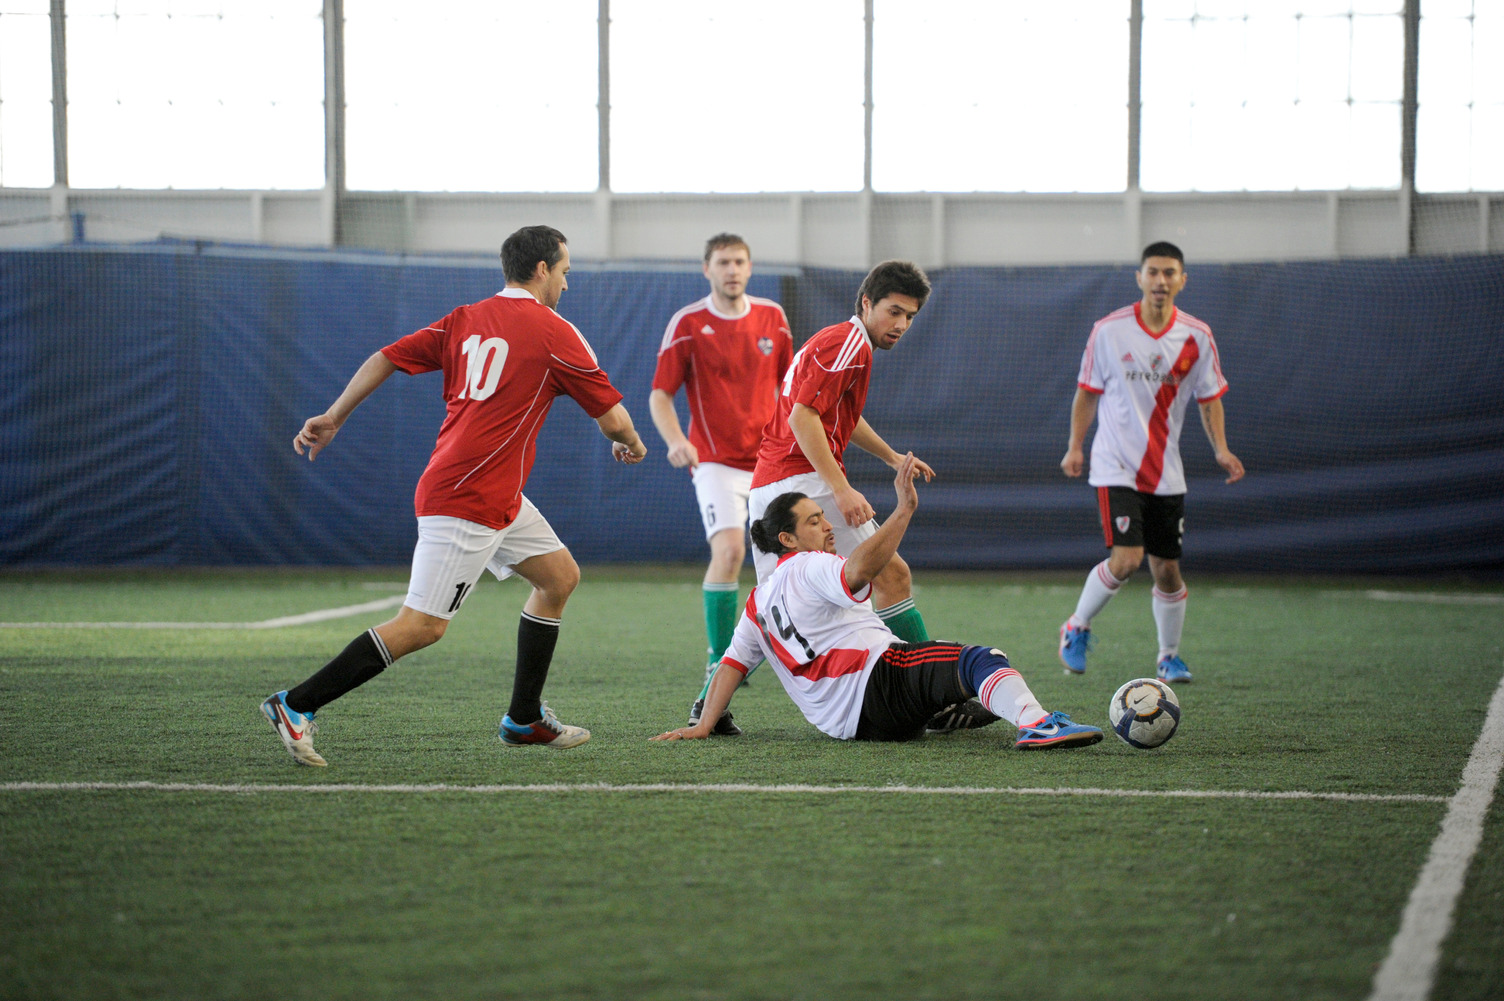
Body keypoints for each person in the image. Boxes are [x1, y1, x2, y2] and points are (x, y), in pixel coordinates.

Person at [262, 225, 648, 766]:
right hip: (469, 497)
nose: (567, 281)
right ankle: (295, 704)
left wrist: (334, 415)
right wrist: (631, 443)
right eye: (564, 270)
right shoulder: (556, 331)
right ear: (541, 270)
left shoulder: (465, 318)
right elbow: (613, 420)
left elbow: (387, 356)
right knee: (422, 626)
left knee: (559, 577)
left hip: (491, 491)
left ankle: (524, 718)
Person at [652, 455, 1102, 748]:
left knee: (945, 672)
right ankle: (1038, 723)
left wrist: (705, 723)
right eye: (814, 521)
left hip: (851, 725)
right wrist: (904, 509)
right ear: (787, 539)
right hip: (877, 686)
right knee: (982, 660)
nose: (828, 527)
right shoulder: (807, 566)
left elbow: (730, 665)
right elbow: (860, 572)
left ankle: (949, 702)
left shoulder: (757, 603)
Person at [682, 260, 944, 733]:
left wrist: (888, 457)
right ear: (866, 302)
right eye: (894, 311)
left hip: (776, 482)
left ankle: (707, 704)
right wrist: (841, 490)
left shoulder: (849, 344)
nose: (902, 325)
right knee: (893, 576)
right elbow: (804, 418)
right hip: (798, 481)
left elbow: (836, 413)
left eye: (911, 316)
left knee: (775, 606)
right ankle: (929, 697)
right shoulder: (848, 343)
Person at [1058, 240, 1244, 684]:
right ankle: (1076, 628)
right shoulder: (1109, 330)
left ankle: (1169, 656)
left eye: (1170, 273)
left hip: (1166, 472)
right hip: (1115, 464)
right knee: (1126, 559)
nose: (1161, 281)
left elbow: (1210, 397)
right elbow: (1087, 392)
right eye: (1153, 272)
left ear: (1182, 280)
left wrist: (1220, 448)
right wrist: (1075, 445)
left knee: (1167, 570)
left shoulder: (1197, 336)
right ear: (1139, 277)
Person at [648, 234, 793, 702]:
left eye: (740, 262)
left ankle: (790, 650)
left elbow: (793, 392)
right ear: (706, 269)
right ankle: (719, 655)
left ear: (750, 268)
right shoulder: (688, 323)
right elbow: (660, 395)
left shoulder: (773, 317)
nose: (732, 269)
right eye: (723, 262)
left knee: (785, 563)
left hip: (771, 460)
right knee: (730, 551)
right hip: (713, 462)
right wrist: (675, 441)